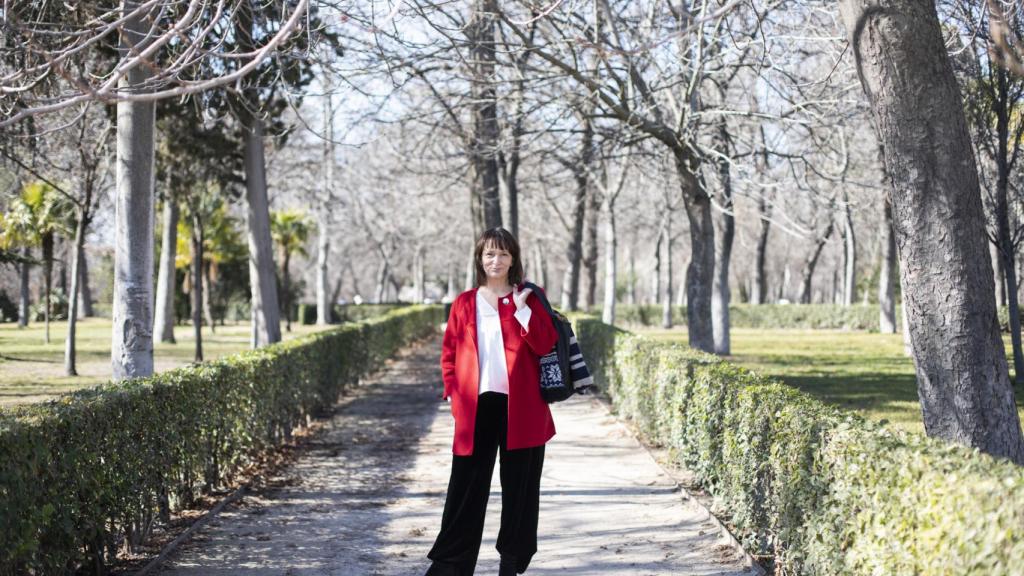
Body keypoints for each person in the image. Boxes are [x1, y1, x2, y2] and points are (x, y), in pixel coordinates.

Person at [425, 228, 558, 576]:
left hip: (523, 410)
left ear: (513, 259)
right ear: (480, 259)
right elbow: (450, 354)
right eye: (489, 254)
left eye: (503, 254)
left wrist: (523, 311)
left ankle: (511, 562)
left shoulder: (529, 297)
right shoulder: (464, 302)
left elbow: (545, 343)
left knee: (520, 491)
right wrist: (453, 395)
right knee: (466, 489)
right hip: (476, 409)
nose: (495, 260)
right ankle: (450, 565)